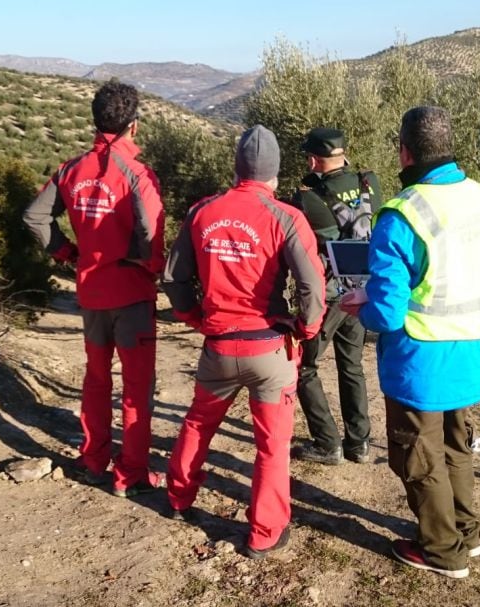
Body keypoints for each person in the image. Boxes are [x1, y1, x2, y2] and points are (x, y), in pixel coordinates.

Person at [341, 106, 480, 579]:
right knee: (457, 444)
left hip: (419, 358)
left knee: (418, 454)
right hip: (472, 350)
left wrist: (362, 301)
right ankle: (467, 534)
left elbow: (388, 311)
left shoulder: (403, 213)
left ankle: (441, 551)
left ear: (404, 151)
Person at [163, 125, 326, 559]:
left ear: (237, 167)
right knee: (272, 446)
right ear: (274, 172)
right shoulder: (287, 217)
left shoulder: (203, 211)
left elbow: (174, 277)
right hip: (269, 349)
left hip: (217, 347)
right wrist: (306, 329)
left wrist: (195, 317)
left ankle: (178, 498)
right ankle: (264, 533)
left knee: (198, 422)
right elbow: (312, 285)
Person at [23, 81, 166, 498]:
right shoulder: (137, 175)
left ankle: (93, 462)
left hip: (90, 292)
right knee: (137, 389)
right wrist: (149, 265)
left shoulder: (71, 169)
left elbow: (35, 217)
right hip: (132, 293)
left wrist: (67, 253)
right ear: (133, 126)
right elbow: (149, 231)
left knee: (96, 381)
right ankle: (131, 474)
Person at [289, 127, 380, 465]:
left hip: (329, 296)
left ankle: (327, 443)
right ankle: (359, 443)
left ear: (314, 159)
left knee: (304, 367)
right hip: (362, 290)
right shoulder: (370, 182)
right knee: (351, 365)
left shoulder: (307, 197)